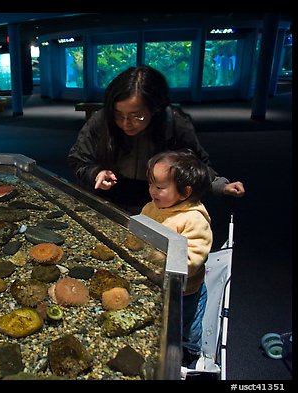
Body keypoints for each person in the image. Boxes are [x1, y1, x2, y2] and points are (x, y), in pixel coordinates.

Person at [67, 65, 245, 215]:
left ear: (154, 108)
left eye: (136, 116)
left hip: (158, 202)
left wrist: (220, 185)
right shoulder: (102, 119)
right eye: (119, 115)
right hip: (109, 198)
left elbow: (196, 164)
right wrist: (96, 173)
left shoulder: (174, 123)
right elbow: (78, 158)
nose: (126, 123)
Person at [140, 148, 213, 368]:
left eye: (160, 187)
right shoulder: (152, 207)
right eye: (151, 183)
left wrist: (152, 255)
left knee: (187, 326)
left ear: (184, 192)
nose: (152, 190)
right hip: (158, 281)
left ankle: (191, 353)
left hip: (186, 291)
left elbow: (191, 259)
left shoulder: (193, 219)